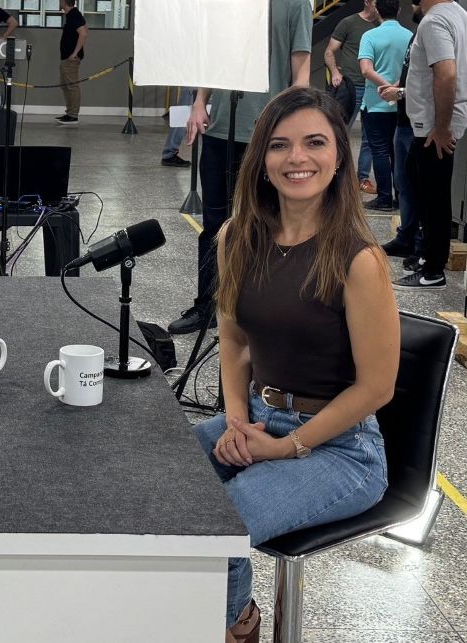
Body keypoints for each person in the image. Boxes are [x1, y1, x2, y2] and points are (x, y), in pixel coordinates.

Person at [194, 86, 398, 643]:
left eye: (314, 143)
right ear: (261, 158)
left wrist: (286, 447)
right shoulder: (238, 235)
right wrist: (238, 419)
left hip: (342, 449)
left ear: (338, 157)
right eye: (280, 145)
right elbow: (233, 342)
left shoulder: (359, 258)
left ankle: (233, 625)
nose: (297, 159)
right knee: (158, 480)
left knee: (218, 524)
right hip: (261, 416)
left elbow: (378, 386)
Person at [168, 0, 312, 335]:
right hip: (221, 131)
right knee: (216, 224)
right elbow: (214, 58)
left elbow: (301, 70)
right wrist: (200, 101)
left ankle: (261, 307)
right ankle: (206, 304)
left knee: (267, 224)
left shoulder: (296, 5)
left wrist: (293, 126)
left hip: (268, 135)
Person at [392, 0, 467, 291]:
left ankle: (433, 270)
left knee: (434, 196)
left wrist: (442, 127)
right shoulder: (459, 14)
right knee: (416, 177)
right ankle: (426, 256)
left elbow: (446, 73)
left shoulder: (434, 21)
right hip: (434, 124)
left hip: (434, 127)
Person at [358, 0, 412, 211]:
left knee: (379, 151)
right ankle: (401, 197)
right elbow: (412, 70)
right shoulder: (409, 36)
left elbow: (365, 69)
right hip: (401, 103)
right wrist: (396, 88)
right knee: (398, 152)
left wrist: (384, 86)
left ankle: (383, 198)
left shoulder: (370, 36)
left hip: (375, 104)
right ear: (398, 10)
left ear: (377, 10)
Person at [324, 0, 379, 194]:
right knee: (339, 131)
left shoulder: (379, 26)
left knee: (369, 137)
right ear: (366, 2)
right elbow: (329, 51)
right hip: (351, 86)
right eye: (375, 2)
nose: (378, 5)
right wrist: (335, 72)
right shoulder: (349, 23)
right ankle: (331, 173)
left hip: (372, 88)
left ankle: (362, 178)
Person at [379, 32, 423, 258]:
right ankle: (406, 237)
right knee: (403, 185)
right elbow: (412, 75)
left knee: (419, 188)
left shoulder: (438, 27)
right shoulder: (417, 33)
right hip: (403, 122)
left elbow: (438, 80)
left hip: (421, 125)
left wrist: (401, 92)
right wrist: (395, 87)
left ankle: (420, 243)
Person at [55, 0, 88, 126]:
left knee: (72, 86)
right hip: (65, 58)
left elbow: (83, 34)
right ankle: (69, 113)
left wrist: (74, 54)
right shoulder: (71, 15)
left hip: (71, 59)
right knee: (65, 85)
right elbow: (85, 29)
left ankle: (73, 116)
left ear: (64, 1)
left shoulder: (74, 14)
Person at [161, 86, 194, 167]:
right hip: (193, 80)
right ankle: (169, 154)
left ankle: (169, 153)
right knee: (183, 115)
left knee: (184, 113)